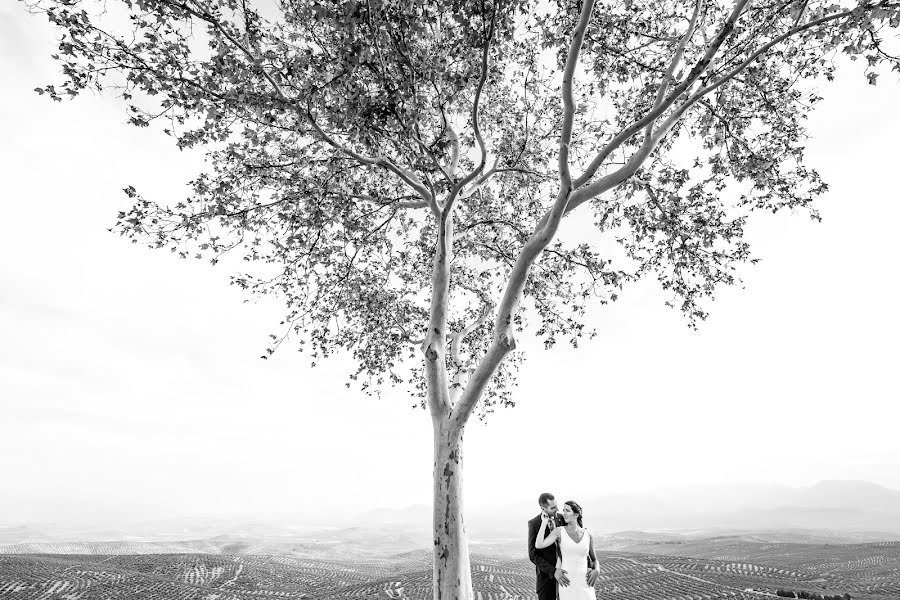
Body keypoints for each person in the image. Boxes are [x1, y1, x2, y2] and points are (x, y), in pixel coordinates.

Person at [534, 499, 600, 600]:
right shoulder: (559, 531)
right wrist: (544, 522)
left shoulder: (588, 535)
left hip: (586, 583)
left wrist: (597, 570)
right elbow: (539, 544)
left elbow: (594, 559)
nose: (564, 513)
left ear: (576, 514)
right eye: (563, 510)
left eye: (567, 510)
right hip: (567, 582)